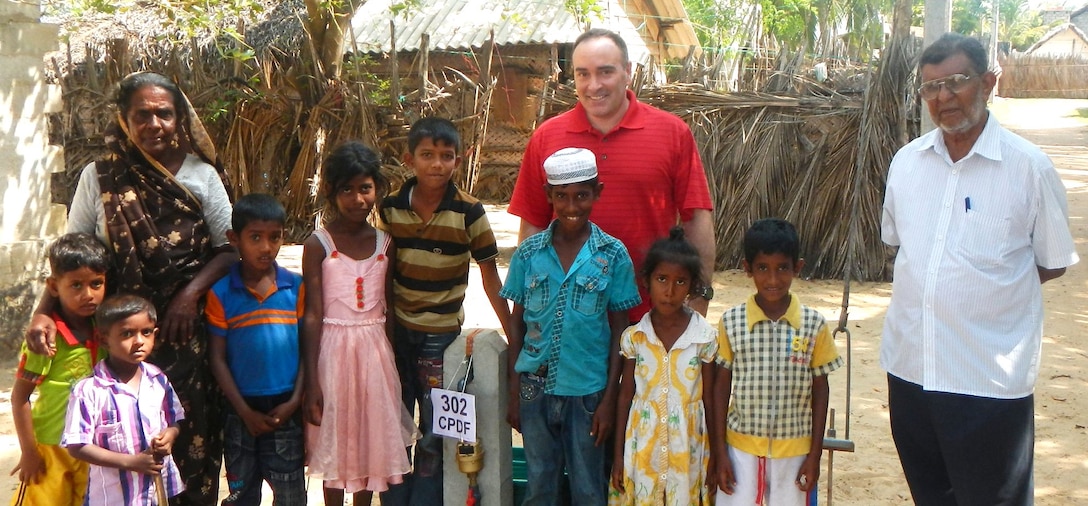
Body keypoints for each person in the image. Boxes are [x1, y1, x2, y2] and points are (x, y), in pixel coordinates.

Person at [880, 33, 1079, 505]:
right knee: (931, 497)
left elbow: (1050, 264)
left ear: (988, 82)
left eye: (957, 81)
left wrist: (984, 294)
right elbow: (900, 244)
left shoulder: (1029, 169)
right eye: (931, 87)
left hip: (985, 380)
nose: (944, 97)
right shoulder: (906, 165)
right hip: (910, 373)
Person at [24, 71, 234, 505]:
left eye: (164, 114)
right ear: (124, 119)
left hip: (183, 334)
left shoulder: (203, 176)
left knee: (188, 435)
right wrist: (44, 311)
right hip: (116, 336)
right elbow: (72, 255)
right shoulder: (99, 177)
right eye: (143, 115)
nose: (154, 124)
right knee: (116, 441)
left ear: (180, 121)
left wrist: (188, 296)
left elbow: (229, 250)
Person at [508, 28, 716, 321]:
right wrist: (536, 302)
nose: (594, 85)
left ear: (628, 72)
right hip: (568, 317)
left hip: (652, 316)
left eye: (605, 72)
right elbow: (532, 225)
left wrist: (700, 298)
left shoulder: (672, 133)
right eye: (583, 74)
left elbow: (697, 218)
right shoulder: (547, 137)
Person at [377, 117, 512, 505]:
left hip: (441, 339)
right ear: (409, 159)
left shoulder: (469, 212)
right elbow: (381, 272)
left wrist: (511, 335)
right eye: (427, 155)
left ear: (459, 159)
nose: (437, 164)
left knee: (436, 431)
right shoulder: (390, 210)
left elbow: (490, 277)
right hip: (397, 334)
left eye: (446, 156)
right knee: (396, 424)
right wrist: (380, 331)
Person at [502, 147, 641, 505]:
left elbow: (621, 336)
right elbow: (517, 323)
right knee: (539, 486)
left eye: (581, 195)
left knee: (588, 487)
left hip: (588, 394)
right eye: (561, 196)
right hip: (535, 390)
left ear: (598, 193)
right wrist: (514, 389)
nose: (571, 206)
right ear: (549, 196)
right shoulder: (529, 254)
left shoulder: (612, 255)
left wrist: (609, 401)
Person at [302, 141, 419, 506]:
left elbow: (388, 308)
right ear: (332, 193)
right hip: (332, 356)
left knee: (371, 444)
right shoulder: (318, 244)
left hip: (375, 356)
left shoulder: (385, 242)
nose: (357, 199)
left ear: (377, 190)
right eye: (347, 190)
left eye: (365, 188)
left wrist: (394, 370)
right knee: (337, 444)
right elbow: (312, 314)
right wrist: (310, 382)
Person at [712, 218, 842, 506]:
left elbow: (821, 390)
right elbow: (721, 388)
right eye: (762, 268)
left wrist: (814, 455)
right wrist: (720, 452)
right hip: (741, 448)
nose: (773, 279)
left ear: (798, 267)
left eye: (782, 268)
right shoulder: (732, 322)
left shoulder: (813, 324)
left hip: (794, 451)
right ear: (747, 269)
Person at [205, 194, 305, 506]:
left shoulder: (296, 287)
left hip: (285, 408)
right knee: (241, 494)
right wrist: (244, 412)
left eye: (274, 237)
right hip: (239, 410)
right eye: (255, 237)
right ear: (234, 239)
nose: (266, 247)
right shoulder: (221, 293)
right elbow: (217, 358)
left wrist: (296, 401)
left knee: (290, 497)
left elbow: (307, 351)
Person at [609, 226, 718, 506]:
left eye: (680, 282)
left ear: (693, 286)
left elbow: (710, 399)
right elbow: (625, 396)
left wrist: (716, 455)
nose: (669, 291)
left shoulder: (704, 338)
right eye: (662, 279)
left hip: (688, 450)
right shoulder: (635, 338)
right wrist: (618, 456)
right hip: (643, 448)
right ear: (646, 281)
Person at [9, 233, 108, 506]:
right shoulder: (45, 340)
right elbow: (20, 398)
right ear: (53, 286)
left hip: (93, 447)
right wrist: (29, 452)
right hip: (51, 446)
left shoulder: (107, 333)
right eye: (75, 285)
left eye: (96, 284)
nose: (87, 294)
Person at [61, 294, 185, 505]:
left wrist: (170, 436)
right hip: (113, 496)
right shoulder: (89, 391)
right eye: (127, 333)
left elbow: (175, 419)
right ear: (103, 339)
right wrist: (131, 462)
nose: (139, 341)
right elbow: (77, 445)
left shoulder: (157, 379)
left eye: (146, 332)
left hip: (156, 491)